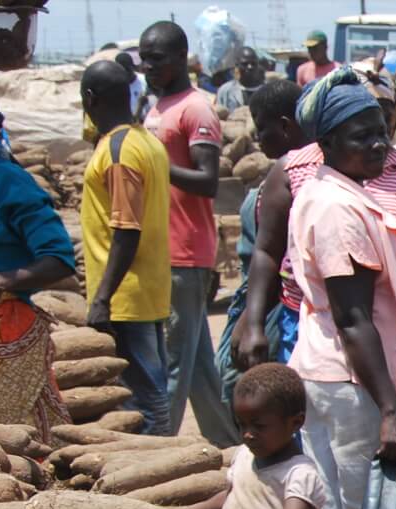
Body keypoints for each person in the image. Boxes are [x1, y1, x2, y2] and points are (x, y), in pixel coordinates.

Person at [236, 68, 396, 374]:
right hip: (310, 327)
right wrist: (253, 321)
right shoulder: (295, 171)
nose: (378, 140)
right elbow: (267, 252)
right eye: (362, 132)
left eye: (384, 120)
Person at [287, 71, 396, 509]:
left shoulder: (339, 194)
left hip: (340, 379)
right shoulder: (336, 208)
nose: (378, 145)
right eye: (360, 136)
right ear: (326, 144)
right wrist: (392, 411)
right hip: (351, 388)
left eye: (382, 134)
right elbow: (352, 318)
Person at [139, 21, 240, 446]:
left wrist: (153, 163)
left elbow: (207, 180)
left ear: (182, 57)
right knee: (198, 366)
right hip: (162, 246)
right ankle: (232, 446)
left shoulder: (195, 108)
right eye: (144, 59)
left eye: (157, 59)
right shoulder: (157, 106)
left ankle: (158, 449)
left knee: (174, 360)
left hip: (184, 249)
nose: (148, 67)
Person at [79, 60, 173, 436]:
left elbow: (126, 228)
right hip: (145, 290)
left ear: (90, 98)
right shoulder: (145, 141)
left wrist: (102, 297)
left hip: (126, 297)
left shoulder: (118, 152)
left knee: (144, 401)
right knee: (146, 392)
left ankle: (161, 472)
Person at [218, 80, 307, 410]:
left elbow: (273, 256)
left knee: (240, 385)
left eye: (262, 127)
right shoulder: (280, 175)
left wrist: (252, 320)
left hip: (278, 302)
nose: (256, 137)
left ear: (285, 126)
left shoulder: (292, 177)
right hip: (263, 299)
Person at [0, 102, 78, 441]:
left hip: (6, 333)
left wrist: (2, 281)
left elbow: (59, 258)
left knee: (20, 446)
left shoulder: (11, 182)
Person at [182, 363, 329, 509]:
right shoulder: (243, 454)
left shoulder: (300, 474)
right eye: (241, 425)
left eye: (259, 426)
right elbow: (232, 498)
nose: (248, 434)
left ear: (295, 422)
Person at [216, 47, 267, 112]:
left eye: (253, 63)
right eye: (245, 64)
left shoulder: (268, 91)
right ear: (237, 65)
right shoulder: (225, 91)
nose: (250, 67)